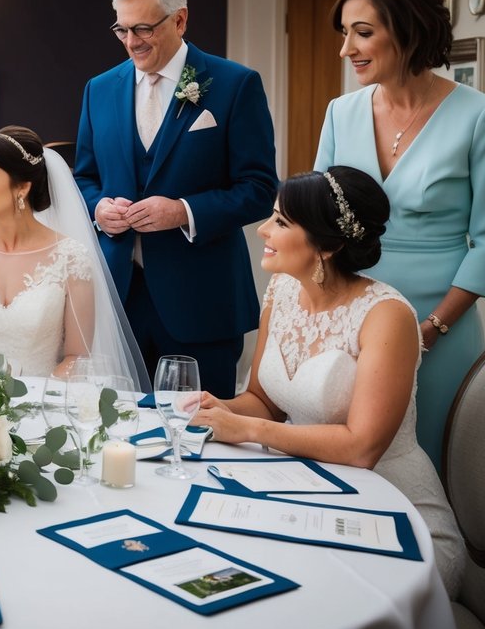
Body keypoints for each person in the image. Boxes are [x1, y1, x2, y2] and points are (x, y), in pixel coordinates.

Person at [191, 167, 463, 596]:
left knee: (323, 595)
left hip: (391, 511)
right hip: (304, 490)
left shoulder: (386, 315)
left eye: (280, 222)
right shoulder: (280, 290)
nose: (263, 230)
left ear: (329, 244)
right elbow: (264, 401)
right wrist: (216, 407)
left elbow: (361, 449)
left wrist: (249, 429)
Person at [315, 0, 485, 471]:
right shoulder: (341, 112)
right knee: (349, 459)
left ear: (407, 29)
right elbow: (316, 222)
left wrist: (430, 329)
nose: (347, 50)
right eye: (344, 34)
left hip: (439, 325)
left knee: (433, 463)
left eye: (362, 33)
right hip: (352, 319)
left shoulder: (481, 117)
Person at [75, 0, 278, 397]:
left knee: (203, 435)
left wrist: (184, 212)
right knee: (117, 434)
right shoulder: (99, 88)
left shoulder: (234, 84)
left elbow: (260, 188)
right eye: (122, 29)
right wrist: (98, 208)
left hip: (202, 302)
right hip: (119, 300)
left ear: (180, 20)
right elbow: (85, 176)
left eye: (143, 28)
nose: (131, 42)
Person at [0, 127, 149, 387]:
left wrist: (28, 401)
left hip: (48, 405)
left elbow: (77, 358)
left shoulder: (71, 258)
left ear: (23, 187)